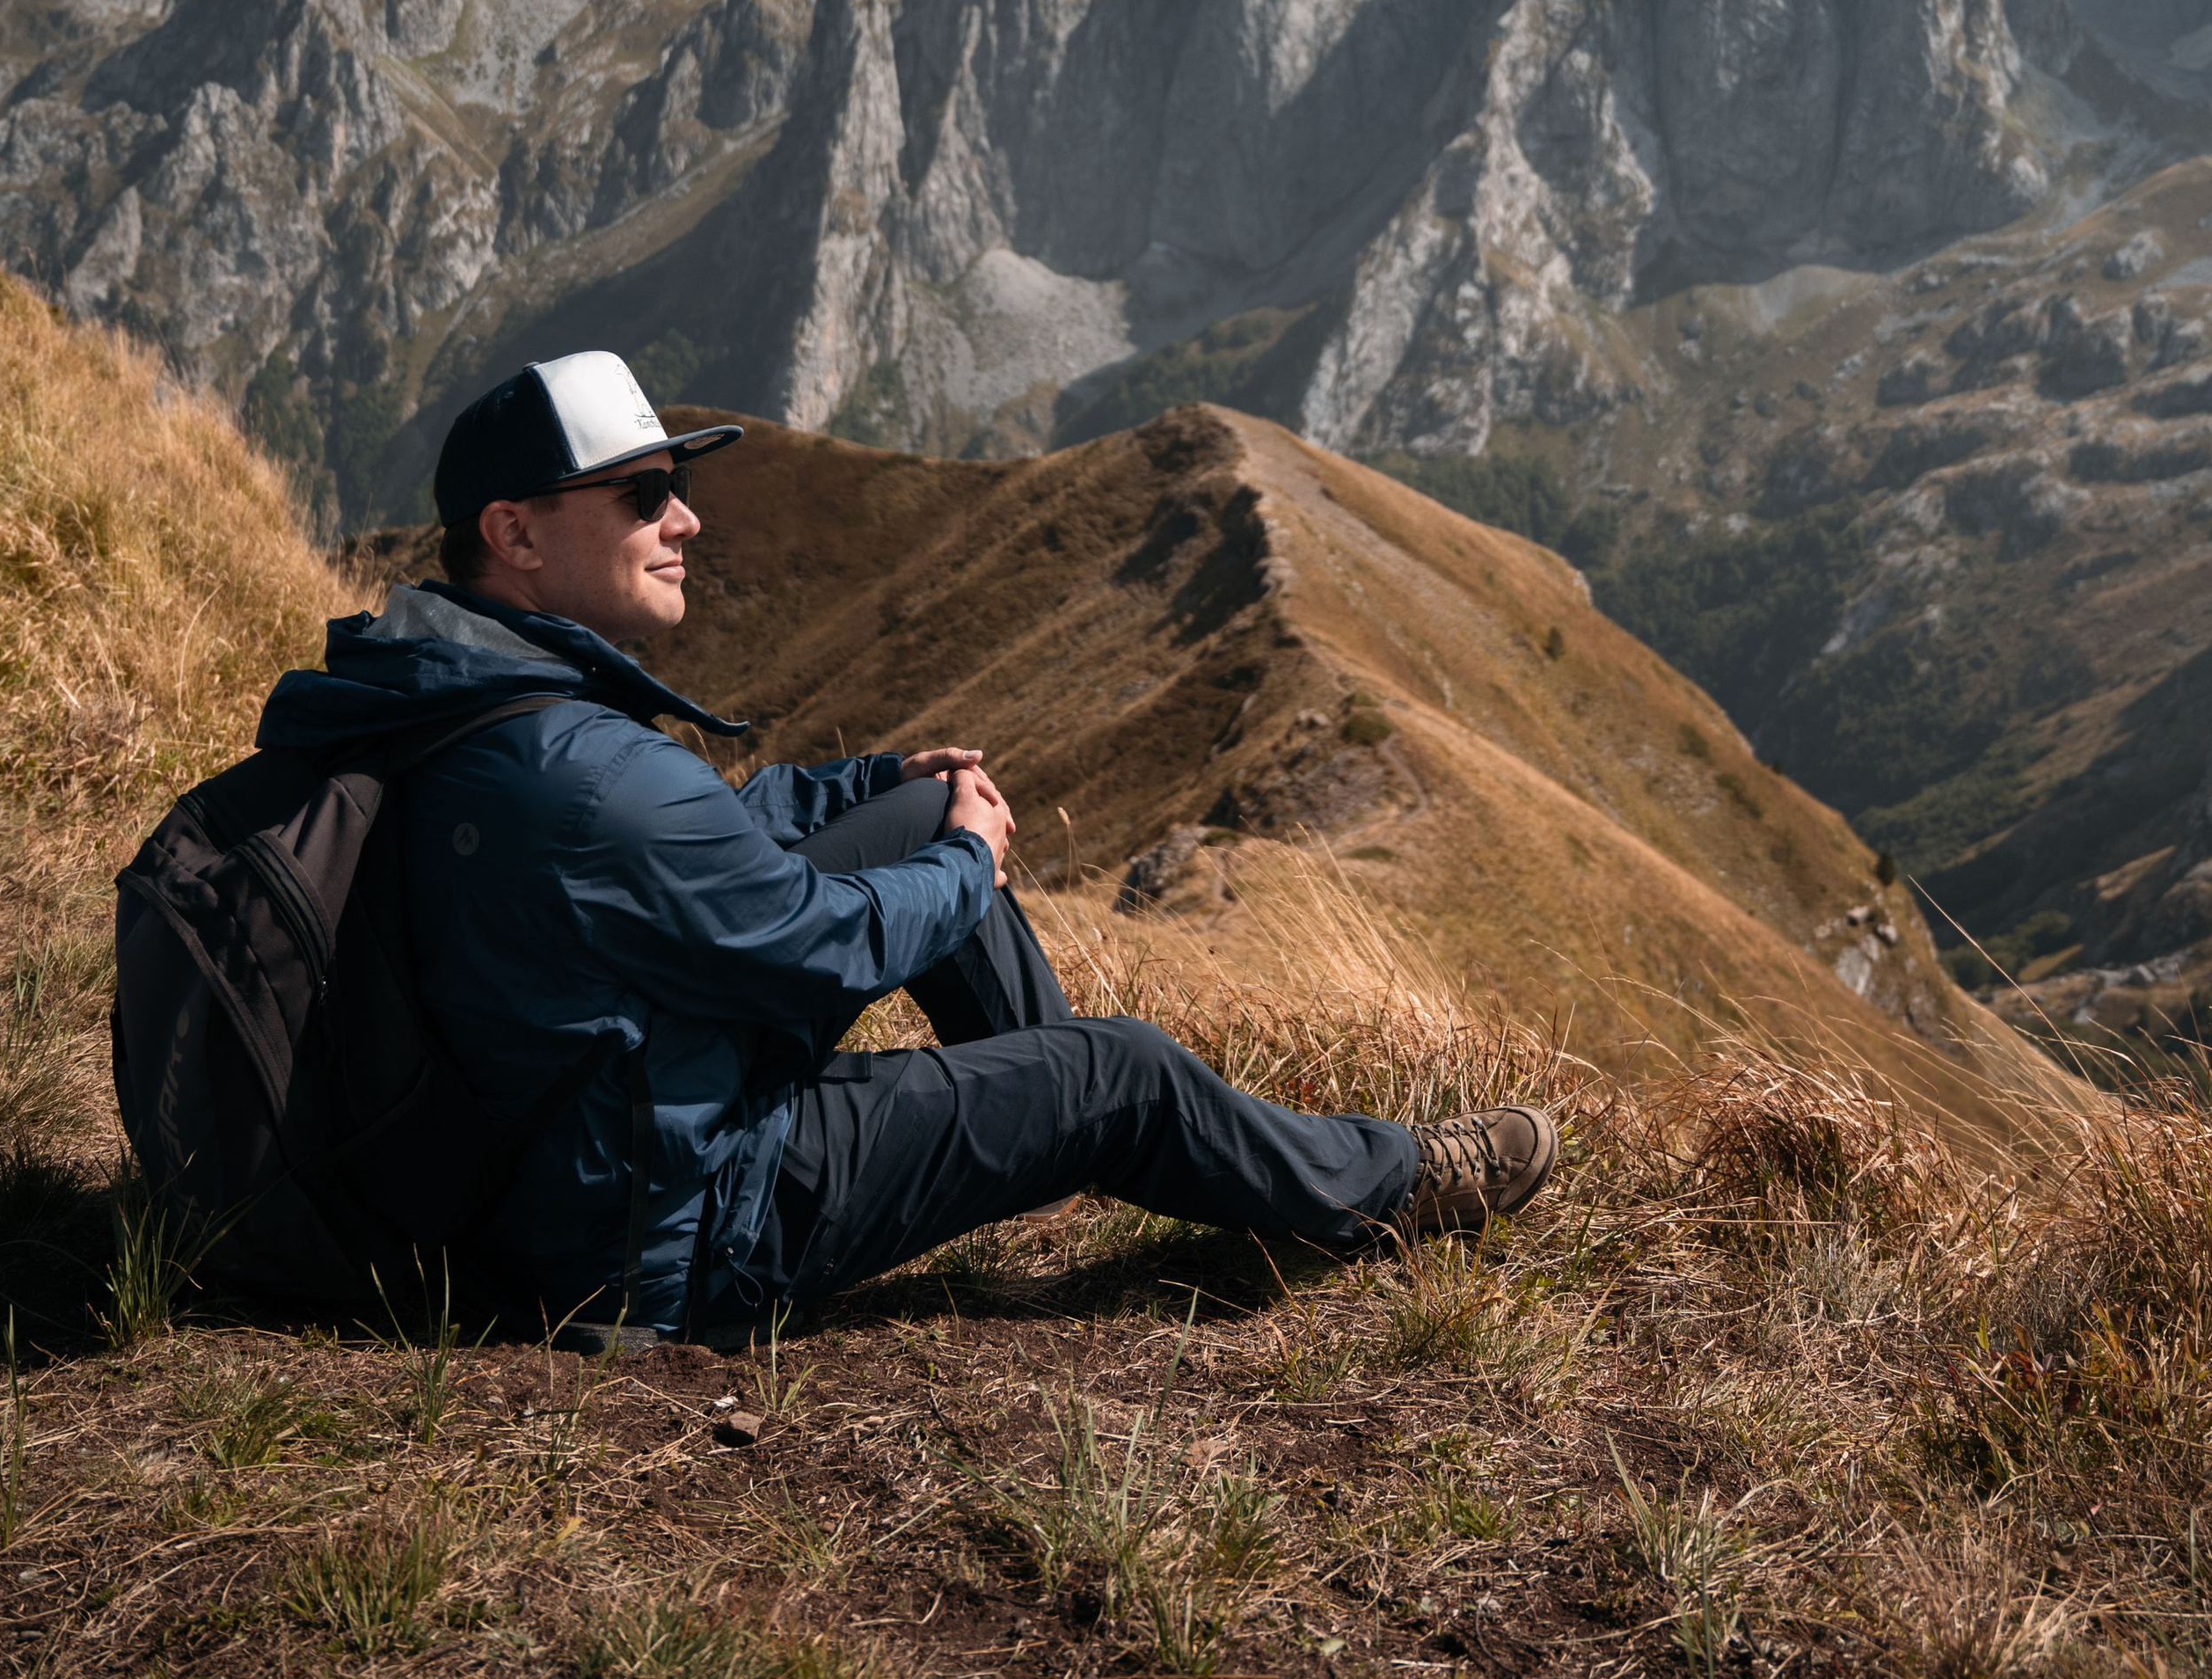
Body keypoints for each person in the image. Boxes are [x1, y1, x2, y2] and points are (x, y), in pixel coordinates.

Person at [259, 350, 1559, 1342]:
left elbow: (694, 841)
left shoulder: (450, 688)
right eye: (645, 495)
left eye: (680, 488)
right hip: (664, 1237)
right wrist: (969, 863)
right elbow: (803, 943)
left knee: (938, 825)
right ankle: (1390, 1183)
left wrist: (882, 786)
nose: (688, 521)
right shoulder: (583, 769)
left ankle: (1055, 1119)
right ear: (516, 532)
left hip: (548, 1144)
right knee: (1123, 1067)